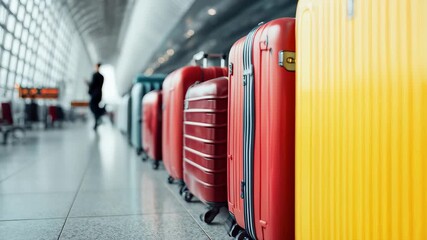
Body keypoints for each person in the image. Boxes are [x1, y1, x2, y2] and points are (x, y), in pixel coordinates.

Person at [88, 63, 106, 130]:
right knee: (95, 107)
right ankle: (98, 118)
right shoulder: (102, 76)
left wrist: (88, 85)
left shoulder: (95, 75)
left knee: (93, 107)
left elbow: (93, 85)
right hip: (99, 94)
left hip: (95, 94)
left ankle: (99, 116)